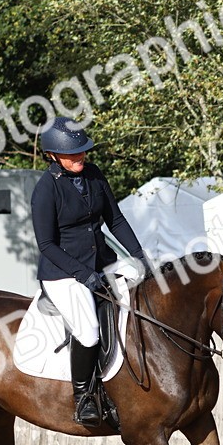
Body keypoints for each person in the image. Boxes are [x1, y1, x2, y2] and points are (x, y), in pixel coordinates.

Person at [30, 116, 149, 427]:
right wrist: (83, 274)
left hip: (102, 262)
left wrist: (139, 256)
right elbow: (46, 244)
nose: (80, 157)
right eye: (73, 154)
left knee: (146, 294)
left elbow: (116, 220)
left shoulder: (94, 175)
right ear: (53, 156)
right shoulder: (45, 190)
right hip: (64, 272)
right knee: (87, 331)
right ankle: (83, 397)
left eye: (82, 151)